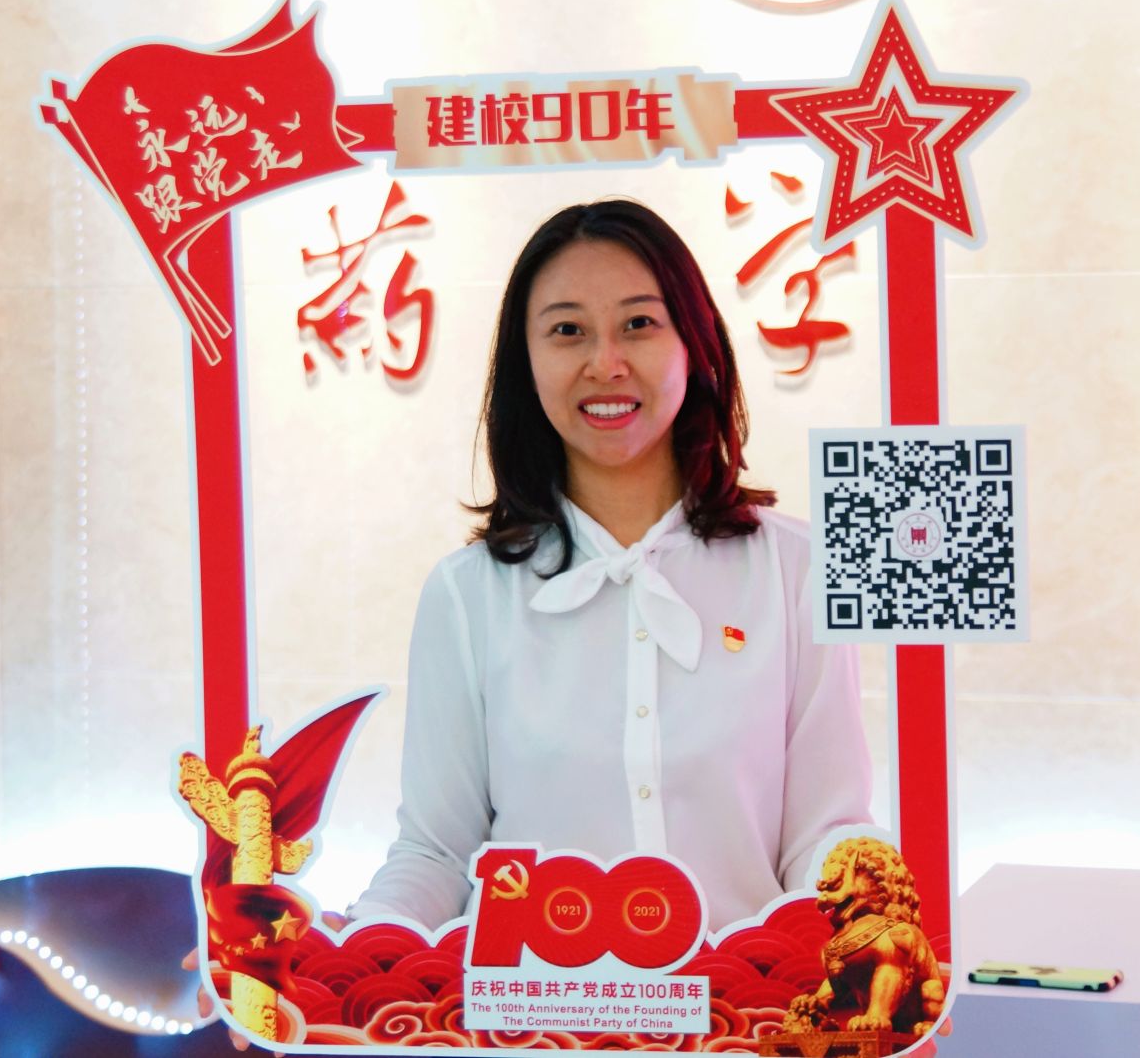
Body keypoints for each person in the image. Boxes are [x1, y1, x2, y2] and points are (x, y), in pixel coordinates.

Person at [347, 198, 873, 930]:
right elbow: (437, 852)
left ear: (694, 342)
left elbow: (825, 831)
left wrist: (872, 915)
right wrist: (345, 950)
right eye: (568, 331)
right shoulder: (468, 595)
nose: (605, 364)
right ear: (526, 361)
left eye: (639, 324)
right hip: (534, 1003)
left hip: (745, 1003)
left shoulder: (797, 570)